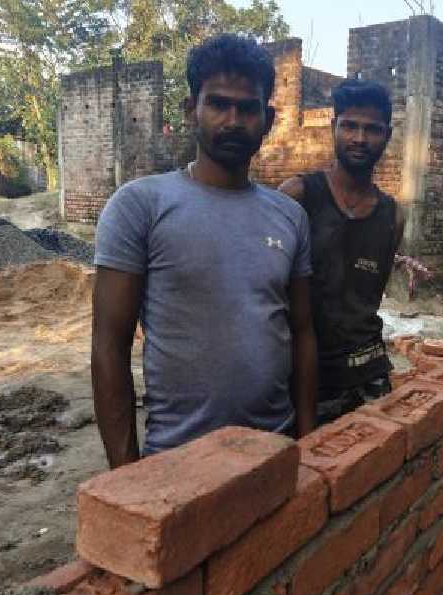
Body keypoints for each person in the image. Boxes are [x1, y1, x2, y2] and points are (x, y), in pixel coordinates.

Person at [91, 34, 317, 468]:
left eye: (248, 108)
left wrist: (307, 447)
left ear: (267, 119)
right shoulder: (140, 206)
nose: (233, 120)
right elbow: (108, 348)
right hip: (176, 459)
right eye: (218, 103)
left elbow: (303, 332)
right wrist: (126, 475)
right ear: (190, 110)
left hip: (276, 449)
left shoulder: (289, 217)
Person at [279, 79, 403, 424]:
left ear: (387, 135)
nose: (360, 138)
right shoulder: (299, 196)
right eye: (349, 126)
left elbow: (369, 296)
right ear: (334, 127)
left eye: (372, 129)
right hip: (304, 377)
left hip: (368, 373)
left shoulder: (393, 215)